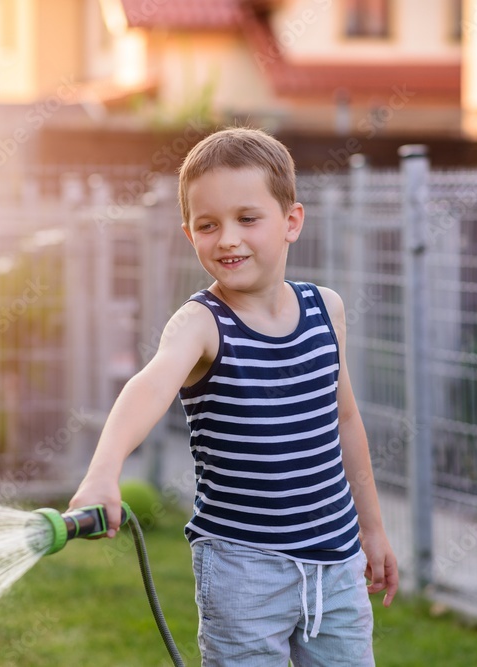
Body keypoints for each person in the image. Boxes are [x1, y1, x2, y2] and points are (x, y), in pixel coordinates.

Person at [69, 127, 399, 666]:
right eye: (208, 225)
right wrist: (102, 472)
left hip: (336, 567)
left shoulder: (327, 310)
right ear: (188, 234)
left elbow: (344, 421)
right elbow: (148, 385)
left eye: (248, 219)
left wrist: (372, 528)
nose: (227, 238)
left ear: (291, 221)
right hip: (243, 575)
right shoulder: (201, 323)